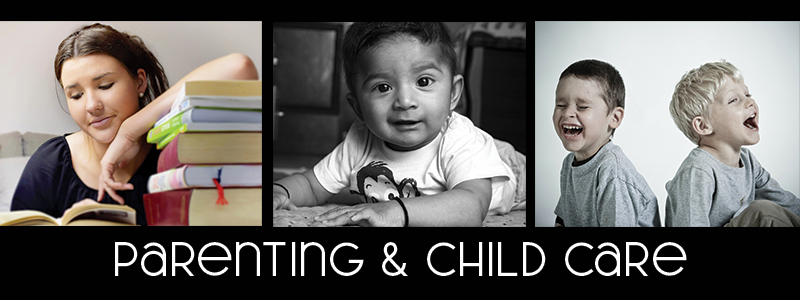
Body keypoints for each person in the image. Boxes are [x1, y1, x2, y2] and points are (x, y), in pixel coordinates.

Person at [272, 22, 520, 227]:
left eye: (423, 81)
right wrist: (280, 192)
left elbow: (471, 208)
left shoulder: (460, 139)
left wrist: (394, 211)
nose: (404, 101)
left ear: (453, 94)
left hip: (508, 170)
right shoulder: (360, 139)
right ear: (358, 107)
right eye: (383, 87)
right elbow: (311, 185)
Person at [11, 23, 258, 225]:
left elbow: (240, 67)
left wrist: (130, 130)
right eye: (76, 95)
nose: (92, 105)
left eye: (105, 86)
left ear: (140, 82)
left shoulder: (177, 151)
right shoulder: (50, 163)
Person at [666, 60, 800, 227]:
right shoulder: (698, 170)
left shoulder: (747, 160)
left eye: (748, 95)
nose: (750, 102)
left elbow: (786, 203)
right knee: (762, 214)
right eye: (734, 100)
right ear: (703, 125)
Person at [552, 59, 660, 227]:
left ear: (614, 118)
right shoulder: (569, 163)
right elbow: (564, 219)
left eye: (582, 107)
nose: (567, 113)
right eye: (561, 104)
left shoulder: (613, 173)